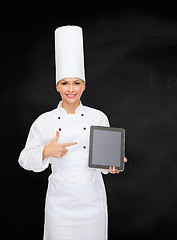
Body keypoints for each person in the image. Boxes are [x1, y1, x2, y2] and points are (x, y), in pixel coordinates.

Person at [18, 25, 127, 240]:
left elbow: (105, 162)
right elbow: (24, 159)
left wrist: (113, 165)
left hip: (92, 203)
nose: (71, 89)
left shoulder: (98, 117)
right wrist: (46, 151)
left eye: (76, 83)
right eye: (65, 83)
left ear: (84, 86)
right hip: (59, 205)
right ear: (57, 86)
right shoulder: (45, 120)